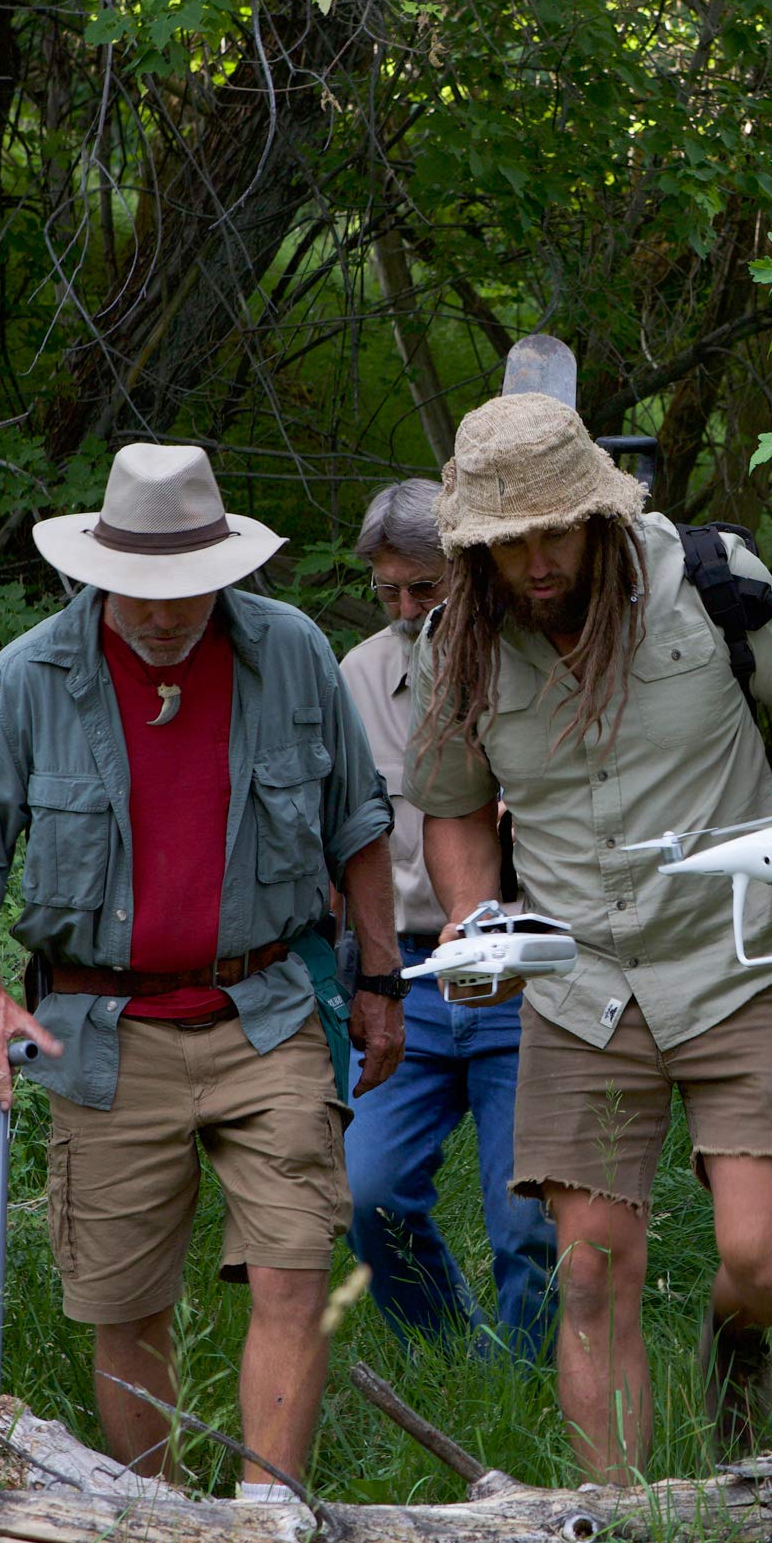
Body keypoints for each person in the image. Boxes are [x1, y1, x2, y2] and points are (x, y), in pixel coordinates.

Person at [405, 395, 772, 1479]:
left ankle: (734, 1347)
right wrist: (471, 915)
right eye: (505, 543)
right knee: (589, 1273)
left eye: (553, 533)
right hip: (579, 985)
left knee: (761, 1262)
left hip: (737, 959)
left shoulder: (709, 584)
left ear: (596, 517)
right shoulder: (461, 646)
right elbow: (451, 805)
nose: (534, 562)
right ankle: (622, 1541)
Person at [0, 443, 409, 1490]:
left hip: (269, 1008)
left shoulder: (293, 657)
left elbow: (359, 827)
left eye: (186, 591)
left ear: (224, 572)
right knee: (125, 1303)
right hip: (102, 1032)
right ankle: (167, 1530)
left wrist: (378, 981)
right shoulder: (30, 678)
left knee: (294, 1268)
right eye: (139, 593)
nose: (162, 613)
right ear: (97, 573)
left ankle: (266, 1530)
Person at [336, 480, 558, 1363]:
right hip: (412, 978)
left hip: (528, 975)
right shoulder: (356, 676)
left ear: (468, 575)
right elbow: (340, 836)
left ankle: (529, 1381)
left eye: (423, 591)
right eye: (388, 591)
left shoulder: (542, 658)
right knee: (368, 1193)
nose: (403, 611)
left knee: (530, 1218)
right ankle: (454, 1359)